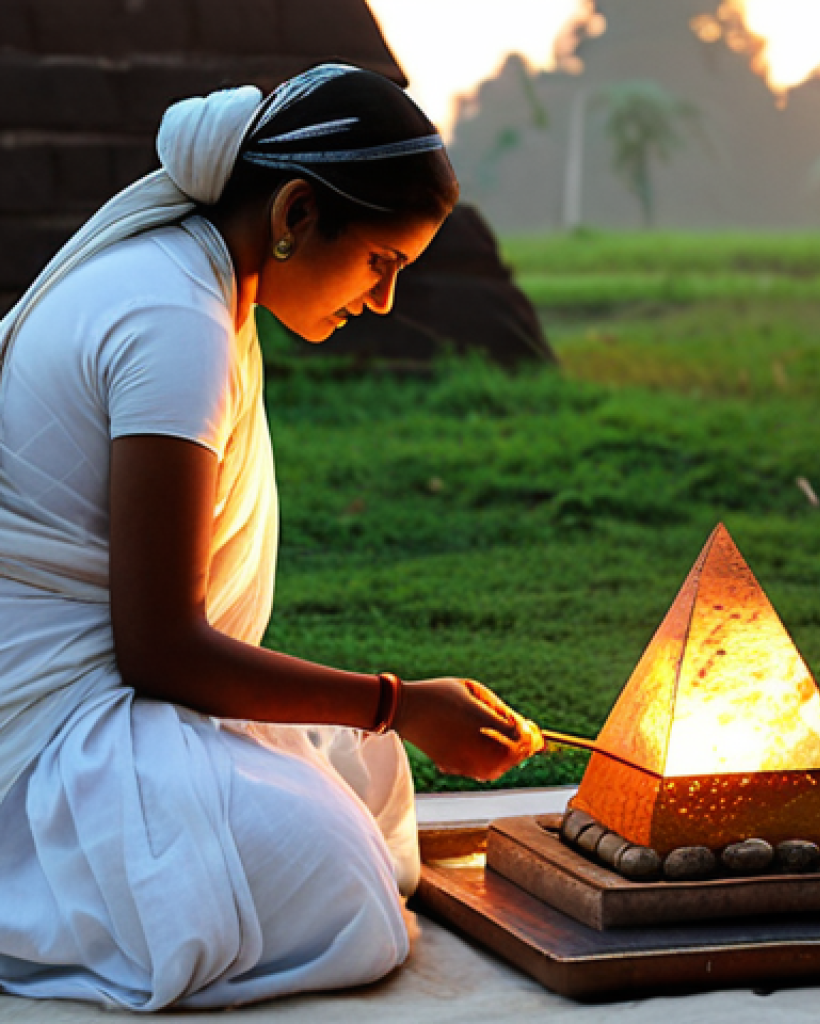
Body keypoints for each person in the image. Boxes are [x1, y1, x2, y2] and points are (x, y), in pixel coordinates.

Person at [0, 64, 542, 1011]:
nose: (381, 301)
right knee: (349, 892)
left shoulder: (189, 281)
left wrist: (387, 718)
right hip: (44, 733)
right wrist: (397, 702)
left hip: (99, 690)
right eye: (381, 262)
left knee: (364, 780)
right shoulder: (175, 317)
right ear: (296, 211)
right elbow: (160, 650)